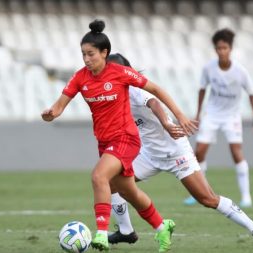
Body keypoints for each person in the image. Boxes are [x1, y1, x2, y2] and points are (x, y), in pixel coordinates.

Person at [41, 20, 197, 252]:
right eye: (83, 54)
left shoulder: (120, 73)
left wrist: (179, 116)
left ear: (104, 53)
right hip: (105, 142)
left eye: (91, 54)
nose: (86, 59)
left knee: (98, 177)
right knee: (128, 191)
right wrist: (51, 113)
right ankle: (161, 226)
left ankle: (102, 233)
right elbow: (60, 105)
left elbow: (156, 91)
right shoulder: (80, 77)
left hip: (126, 138)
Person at [106, 53, 253, 250]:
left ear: (126, 72)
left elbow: (155, 103)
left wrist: (167, 123)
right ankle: (126, 231)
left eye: (114, 71)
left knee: (207, 199)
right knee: (111, 182)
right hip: (149, 155)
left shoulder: (135, 90)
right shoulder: (113, 94)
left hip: (176, 153)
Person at [184, 28, 253, 208]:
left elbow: (251, 93)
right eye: (219, 48)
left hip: (231, 117)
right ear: (215, 49)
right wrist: (197, 114)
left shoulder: (240, 71)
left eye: (225, 48)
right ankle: (198, 194)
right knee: (199, 153)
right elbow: (202, 89)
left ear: (231, 49)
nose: (222, 51)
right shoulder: (209, 69)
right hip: (212, 114)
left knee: (236, 153)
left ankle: (246, 196)